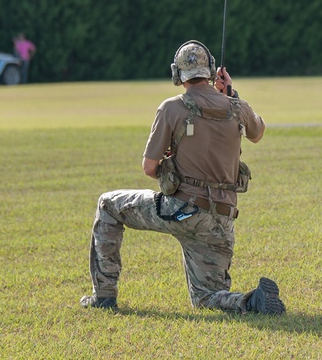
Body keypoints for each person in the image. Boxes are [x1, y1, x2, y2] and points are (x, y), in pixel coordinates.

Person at [80, 40, 283, 315]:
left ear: (178, 74)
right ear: (211, 71)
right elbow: (257, 132)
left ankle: (103, 297)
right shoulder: (238, 106)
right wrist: (231, 93)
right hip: (222, 220)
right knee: (207, 297)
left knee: (108, 204)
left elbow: (149, 168)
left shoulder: (172, 108)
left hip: (180, 210)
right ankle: (251, 301)